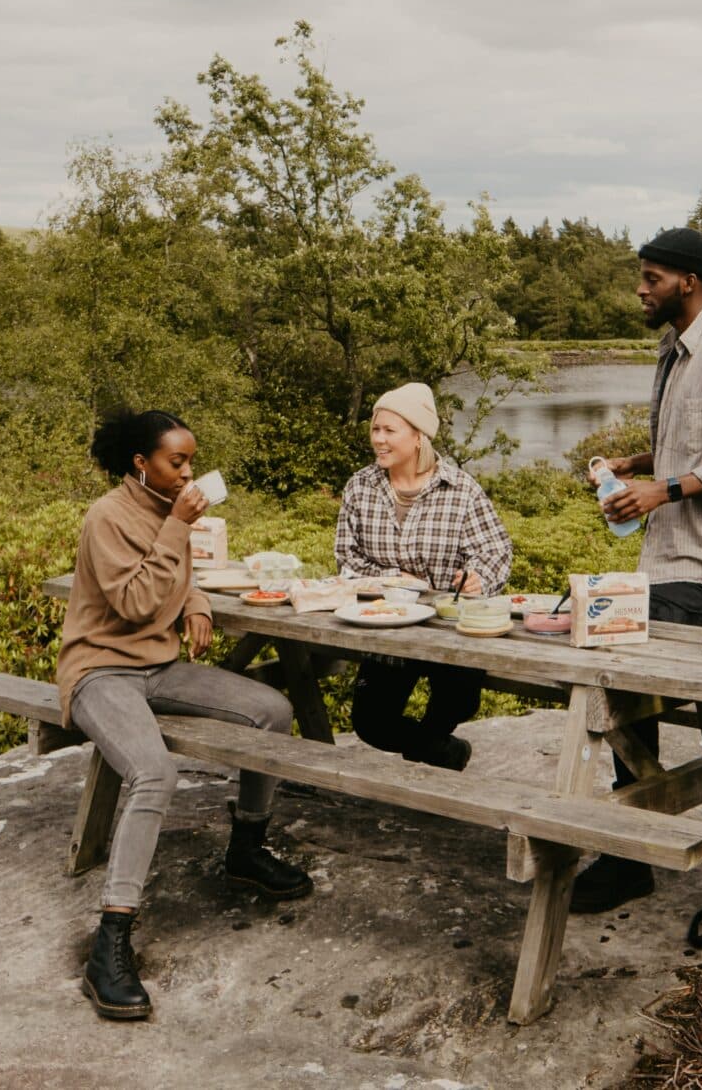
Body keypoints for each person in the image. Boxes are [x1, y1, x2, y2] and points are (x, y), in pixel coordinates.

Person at [60, 408, 312, 1021]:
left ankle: (246, 849)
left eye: (191, 461)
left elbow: (173, 580)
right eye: (177, 462)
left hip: (158, 667)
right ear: (141, 464)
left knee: (272, 711)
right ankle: (111, 942)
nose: (189, 473)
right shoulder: (108, 517)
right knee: (154, 773)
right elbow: (136, 599)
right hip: (100, 671)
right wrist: (178, 528)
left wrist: (196, 599)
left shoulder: (164, 512)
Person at [574, 226, 702, 913]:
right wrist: (637, 466)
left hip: (699, 557)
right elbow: (687, 446)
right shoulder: (673, 350)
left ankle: (632, 854)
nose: (641, 287)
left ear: (689, 282)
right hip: (663, 553)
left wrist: (663, 490)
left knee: (629, 695)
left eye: (652, 277)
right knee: (676, 702)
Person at [335, 382, 514, 772]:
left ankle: (434, 749)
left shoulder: (460, 489)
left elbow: (496, 552)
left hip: (449, 630)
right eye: (375, 430)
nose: (378, 440)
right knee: (370, 725)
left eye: (389, 431)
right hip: (387, 629)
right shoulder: (359, 487)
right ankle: (443, 752)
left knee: (459, 702)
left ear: (419, 437)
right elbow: (347, 561)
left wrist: (477, 578)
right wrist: (394, 578)